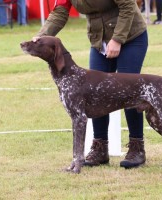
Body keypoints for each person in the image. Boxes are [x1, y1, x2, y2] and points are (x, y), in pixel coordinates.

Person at [34, 0, 148, 169]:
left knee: (129, 91)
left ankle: (136, 148)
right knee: (94, 92)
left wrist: (117, 39)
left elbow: (128, 6)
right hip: (99, 40)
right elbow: (59, 12)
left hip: (131, 36)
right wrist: (41, 36)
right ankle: (100, 148)